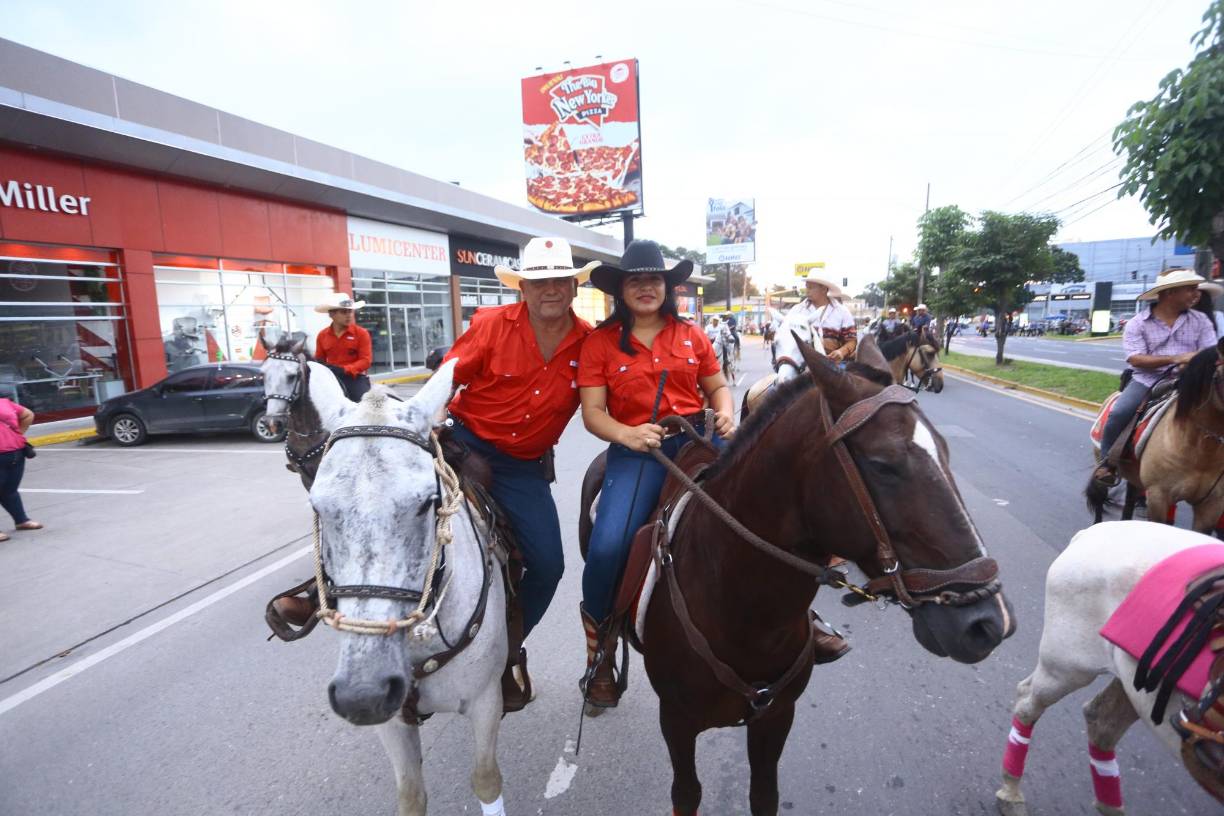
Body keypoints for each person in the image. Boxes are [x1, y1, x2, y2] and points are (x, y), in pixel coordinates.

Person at [576, 239, 736, 710]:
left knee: (770, 502)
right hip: (638, 450)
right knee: (607, 545)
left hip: (699, 442)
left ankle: (802, 616)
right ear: (621, 290)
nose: (646, 287)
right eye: (635, 280)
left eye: (654, 279)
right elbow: (593, 413)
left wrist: (725, 411)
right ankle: (601, 651)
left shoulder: (692, 335)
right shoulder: (599, 344)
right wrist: (627, 435)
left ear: (667, 287)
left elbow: (718, 386)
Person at [1093, 269, 1219, 488]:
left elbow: (1211, 353)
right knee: (1120, 411)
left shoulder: (1200, 321)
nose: (1195, 294)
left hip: (1190, 380)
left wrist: (1194, 361)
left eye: (1196, 289)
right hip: (1147, 380)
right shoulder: (1138, 323)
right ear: (1170, 293)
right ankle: (1107, 463)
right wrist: (1176, 357)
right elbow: (1135, 359)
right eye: (1190, 289)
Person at [786, 271, 857, 361]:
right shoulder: (796, 310)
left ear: (823, 289)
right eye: (807, 287)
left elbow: (852, 341)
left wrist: (841, 352)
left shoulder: (842, 312)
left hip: (835, 366)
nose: (807, 291)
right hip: (803, 365)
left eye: (811, 288)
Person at [313, 293, 372, 402]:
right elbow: (319, 359)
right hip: (330, 378)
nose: (349, 315)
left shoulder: (361, 334)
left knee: (363, 403)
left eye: (350, 311)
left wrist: (345, 369)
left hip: (355, 379)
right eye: (344, 312)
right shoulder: (322, 335)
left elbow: (366, 361)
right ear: (332, 314)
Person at [0, 397, 40, 541]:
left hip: (16, 454)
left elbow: (28, 414)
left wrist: (17, 435)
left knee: (10, 490)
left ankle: (21, 521)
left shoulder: (4, 402)